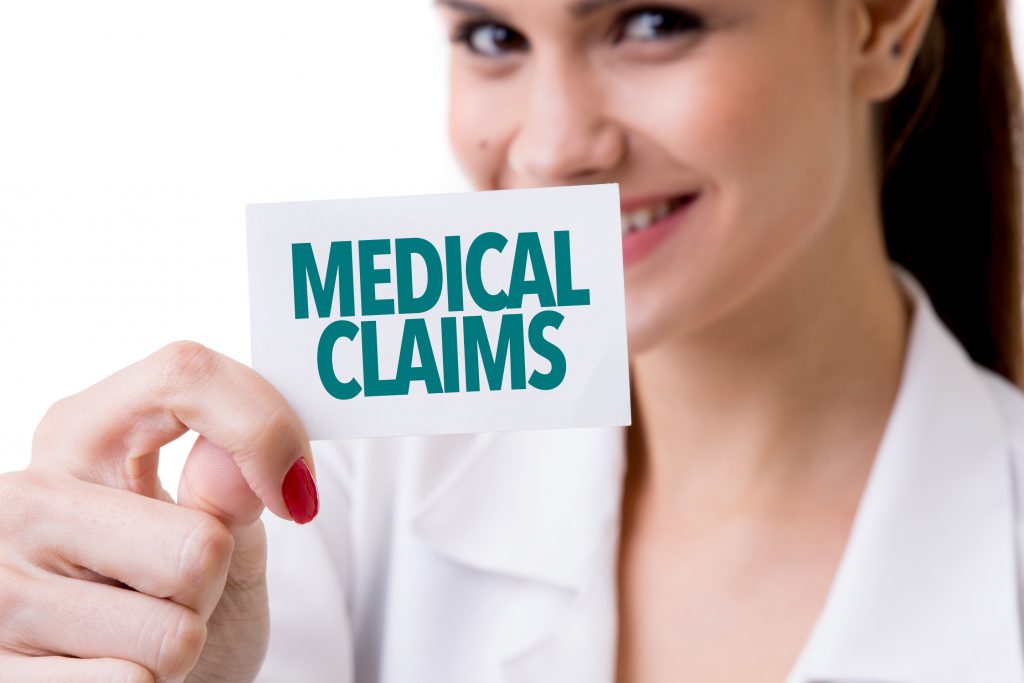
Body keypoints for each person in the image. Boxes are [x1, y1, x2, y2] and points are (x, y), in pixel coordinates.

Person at [0, 0, 1021, 680]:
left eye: (652, 21)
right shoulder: (333, 494)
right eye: (493, 35)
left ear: (880, 23)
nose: (549, 145)